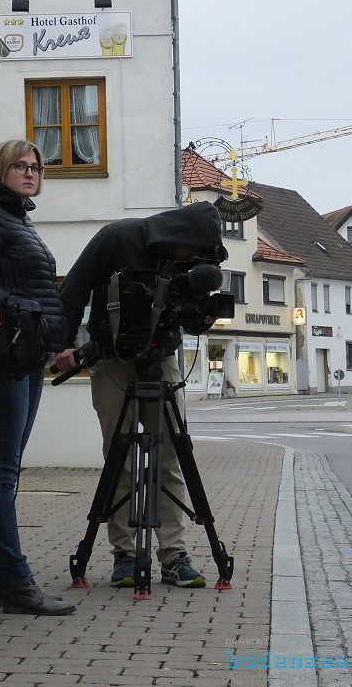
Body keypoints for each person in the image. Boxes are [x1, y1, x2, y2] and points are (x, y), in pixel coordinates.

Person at [55, 202, 226, 589]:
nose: (192, 259)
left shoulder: (192, 258)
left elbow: (184, 311)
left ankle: (174, 554)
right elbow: (74, 289)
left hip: (161, 357)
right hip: (113, 358)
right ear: (177, 237)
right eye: (190, 251)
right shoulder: (118, 238)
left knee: (169, 456)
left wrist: (200, 317)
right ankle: (125, 555)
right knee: (120, 460)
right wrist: (62, 343)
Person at [0, 139, 75, 616]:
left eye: (36, 168)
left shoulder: (19, 217)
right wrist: (19, 310)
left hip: (29, 355)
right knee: (2, 471)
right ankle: (13, 579)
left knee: (8, 472)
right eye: (20, 166)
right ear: (0, 170)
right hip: (6, 356)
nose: (30, 173)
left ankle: (5, 580)